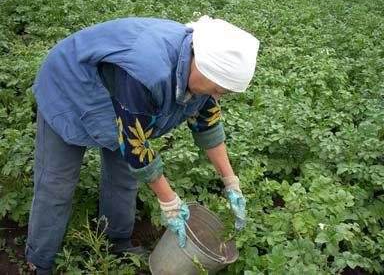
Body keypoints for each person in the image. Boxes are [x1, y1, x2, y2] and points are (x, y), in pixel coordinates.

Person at [26, 15, 259, 274]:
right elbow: (135, 143)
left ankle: (116, 240)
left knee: (123, 176)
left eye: (223, 92)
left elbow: (208, 125)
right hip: (69, 87)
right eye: (217, 87)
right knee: (56, 184)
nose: (217, 95)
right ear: (201, 66)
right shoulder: (147, 72)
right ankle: (40, 261)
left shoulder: (204, 76)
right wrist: (169, 202)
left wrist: (231, 182)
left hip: (120, 97)